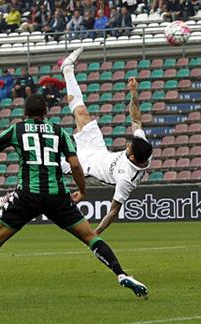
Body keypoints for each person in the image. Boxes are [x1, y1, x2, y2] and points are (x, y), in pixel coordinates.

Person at [0, 94, 148, 306]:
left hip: (27, 196)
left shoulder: (16, 129)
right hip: (57, 196)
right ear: (47, 113)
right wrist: (82, 191)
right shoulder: (59, 131)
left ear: (25, 113)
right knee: (91, 237)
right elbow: (75, 165)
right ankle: (121, 274)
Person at [60, 48, 152, 235]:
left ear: (132, 156)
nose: (127, 144)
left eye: (129, 147)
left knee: (47, 160)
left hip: (88, 170)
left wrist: (96, 233)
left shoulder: (127, 179)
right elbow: (135, 119)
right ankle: (67, 69)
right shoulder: (143, 147)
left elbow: (114, 211)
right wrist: (134, 92)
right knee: (81, 112)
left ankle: (15, 195)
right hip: (98, 150)